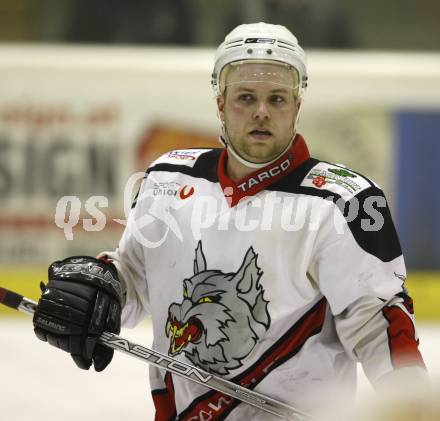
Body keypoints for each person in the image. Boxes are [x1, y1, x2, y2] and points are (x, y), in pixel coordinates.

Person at [32, 23, 427, 420]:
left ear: (296, 105)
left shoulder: (345, 201)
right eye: (245, 98)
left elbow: (377, 320)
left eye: (276, 98)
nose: (261, 111)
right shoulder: (167, 179)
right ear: (220, 104)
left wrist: (410, 400)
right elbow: (137, 279)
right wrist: (106, 289)